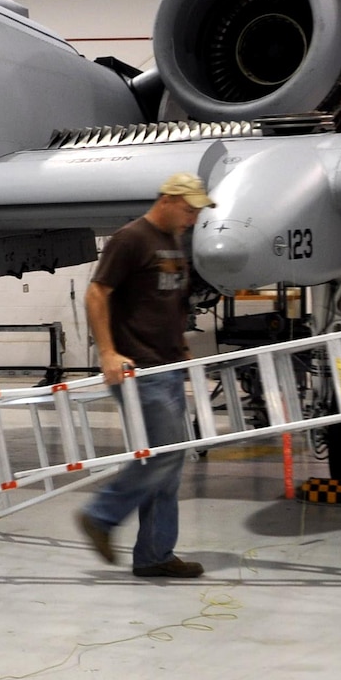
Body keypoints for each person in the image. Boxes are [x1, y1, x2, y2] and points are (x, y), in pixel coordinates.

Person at [76, 172, 214, 578]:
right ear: (168, 200)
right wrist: (107, 352)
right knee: (167, 454)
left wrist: (184, 349)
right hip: (138, 368)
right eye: (189, 210)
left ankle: (154, 554)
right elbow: (97, 293)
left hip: (168, 366)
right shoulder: (130, 239)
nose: (192, 218)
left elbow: (169, 300)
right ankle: (101, 515)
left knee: (167, 466)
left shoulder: (172, 241)